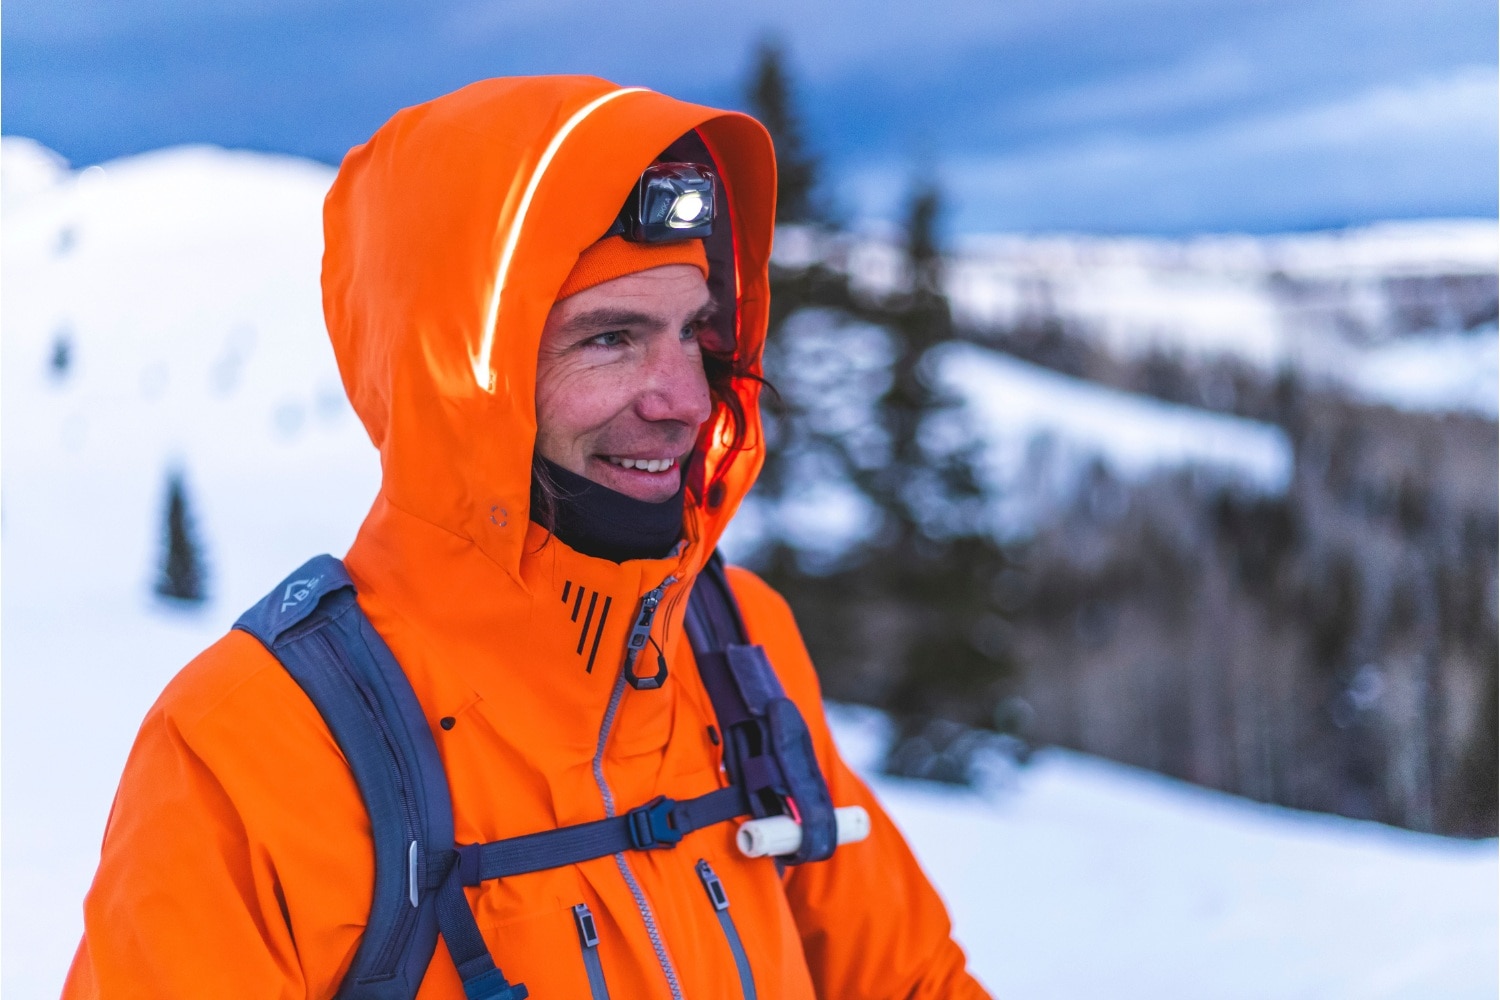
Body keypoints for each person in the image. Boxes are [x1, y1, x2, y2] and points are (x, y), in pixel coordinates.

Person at [63, 76, 990, 999]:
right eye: (609, 339)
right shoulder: (247, 753)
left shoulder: (736, 643)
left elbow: (909, 981)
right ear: (460, 377)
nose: (685, 401)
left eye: (694, 332)